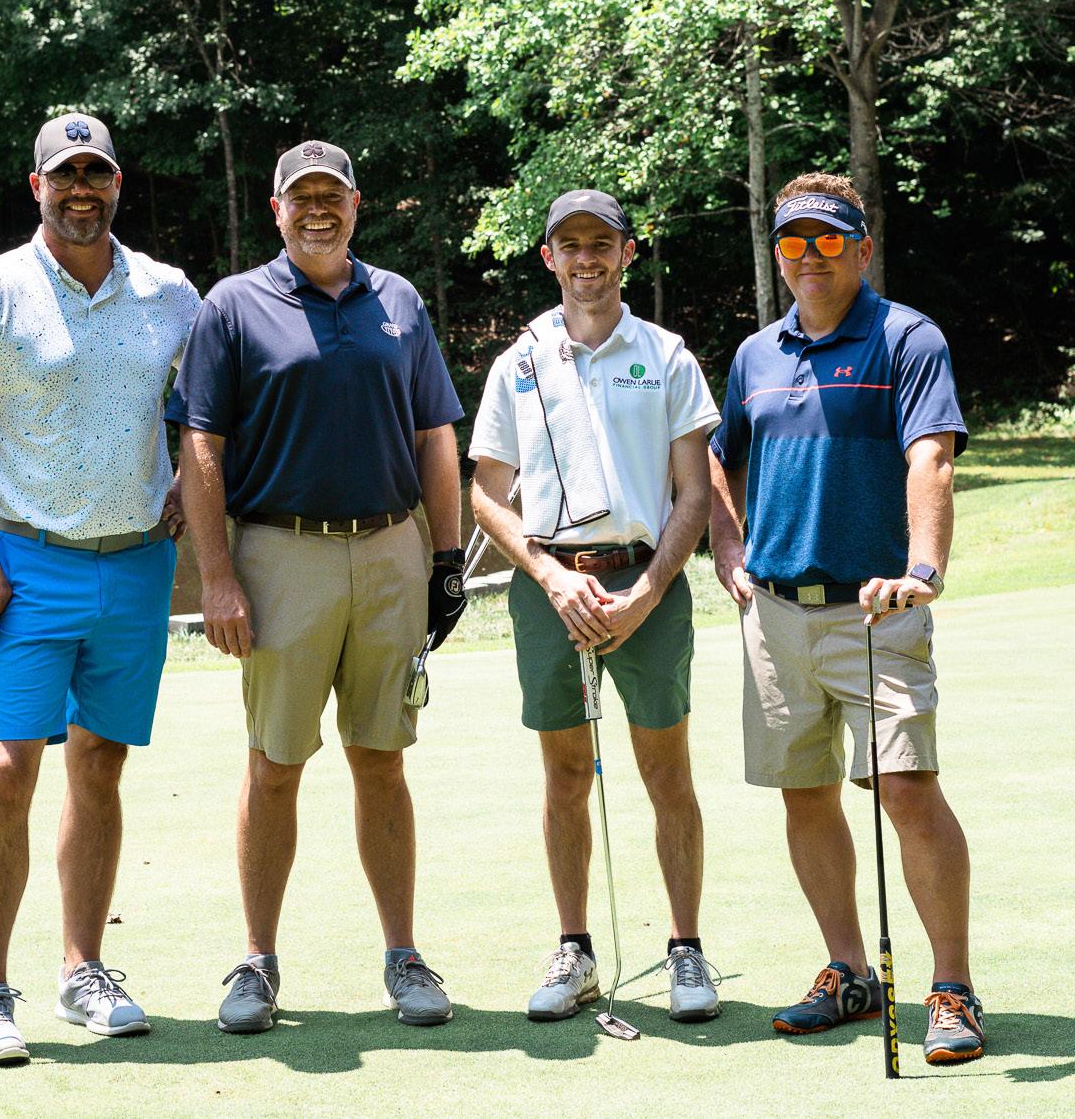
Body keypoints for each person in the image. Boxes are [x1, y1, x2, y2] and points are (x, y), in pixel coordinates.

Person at [0, 113, 201, 1067]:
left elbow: (211, 411)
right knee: (7, 770)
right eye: (65, 175)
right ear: (37, 186)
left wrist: (187, 482)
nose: (83, 189)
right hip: (27, 565)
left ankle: (84, 970)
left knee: (101, 764)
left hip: (138, 561)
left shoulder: (168, 292)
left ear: (117, 183)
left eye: (98, 174)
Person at [168, 138, 465, 1034]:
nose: (317, 210)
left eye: (332, 194)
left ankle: (403, 957)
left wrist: (446, 560)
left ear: (355, 204)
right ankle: (257, 962)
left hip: (389, 550)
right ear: (276, 210)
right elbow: (201, 445)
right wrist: (216, 576)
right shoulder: (232, 305)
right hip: (278, 554)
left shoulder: (398, 300)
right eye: (300, 197)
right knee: (275, 765)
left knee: (382, 759)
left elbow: (435, 437)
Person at [708, 171, 984, 1066]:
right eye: (792, 242)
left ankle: (950, 987)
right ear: (777, 253)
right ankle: (848, 971)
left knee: (904, 787)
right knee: (804, 791)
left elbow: (931, 456)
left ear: (860, 248)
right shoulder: (755, 356)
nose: (809, 257)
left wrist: (922, 568)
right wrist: (727, 548)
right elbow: (719, 458)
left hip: (876, 609)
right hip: (774, 613)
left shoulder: (906, 337)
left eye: (827, 240)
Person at [469, 189, 722, 1024]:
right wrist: (549, 577)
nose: (586, 259)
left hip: (647, 582)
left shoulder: (666, 356)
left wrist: (646, 592)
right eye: (570, 245)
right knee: (566, 774)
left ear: (626, 253)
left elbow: (693, 494)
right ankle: (574, 950)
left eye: (601, 244)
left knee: (666, 772)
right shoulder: (518, 363)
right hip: (551, 590)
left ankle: (684, 949)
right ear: (548, 257)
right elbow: (487, 495)